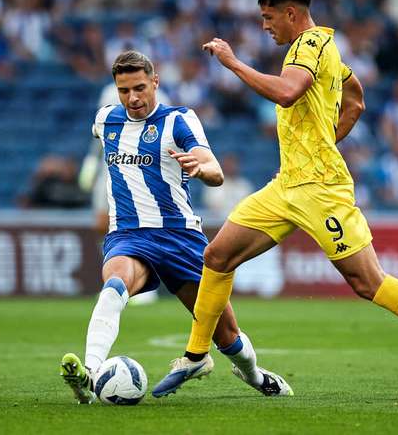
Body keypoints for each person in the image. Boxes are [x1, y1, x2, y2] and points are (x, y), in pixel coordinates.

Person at [153, 0, 398, 403]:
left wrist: (233, 63)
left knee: (368, 282)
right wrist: (324, 137)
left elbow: (289, 93)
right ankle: (197, 354)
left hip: (322, 188)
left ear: (292, 13)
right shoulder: (325, 49)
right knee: (216, 256)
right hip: (287, 184)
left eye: (269, 17)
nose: (265, 26)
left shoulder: (310, 45)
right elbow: (357, 98)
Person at [60, 51, 291, 404]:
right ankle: (89, 375)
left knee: (226, 335)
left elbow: (215, 170)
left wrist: (203, 170)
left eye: (139, 87)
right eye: (124, 90)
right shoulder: (105, 120)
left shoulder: (179, 120)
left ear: (155, 82)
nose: (133, 98)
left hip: (179, 238)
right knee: (113, 285)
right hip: (128, 235)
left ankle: (255, 375)